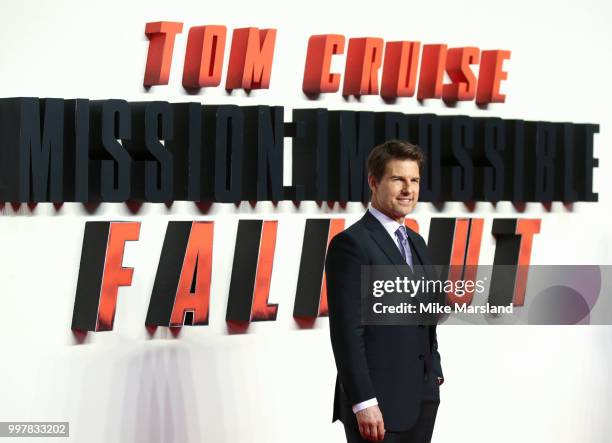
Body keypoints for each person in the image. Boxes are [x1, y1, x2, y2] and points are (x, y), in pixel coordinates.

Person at [325, 140, 444, 443]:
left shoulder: (417, 243)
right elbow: (346, 332)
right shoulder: (351, 245)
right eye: (397, 179)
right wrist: (363, 402)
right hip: (376, 409)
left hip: (421, 400)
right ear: (373, 182)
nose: (408, 189)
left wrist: (435, 369)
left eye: (414, 180)